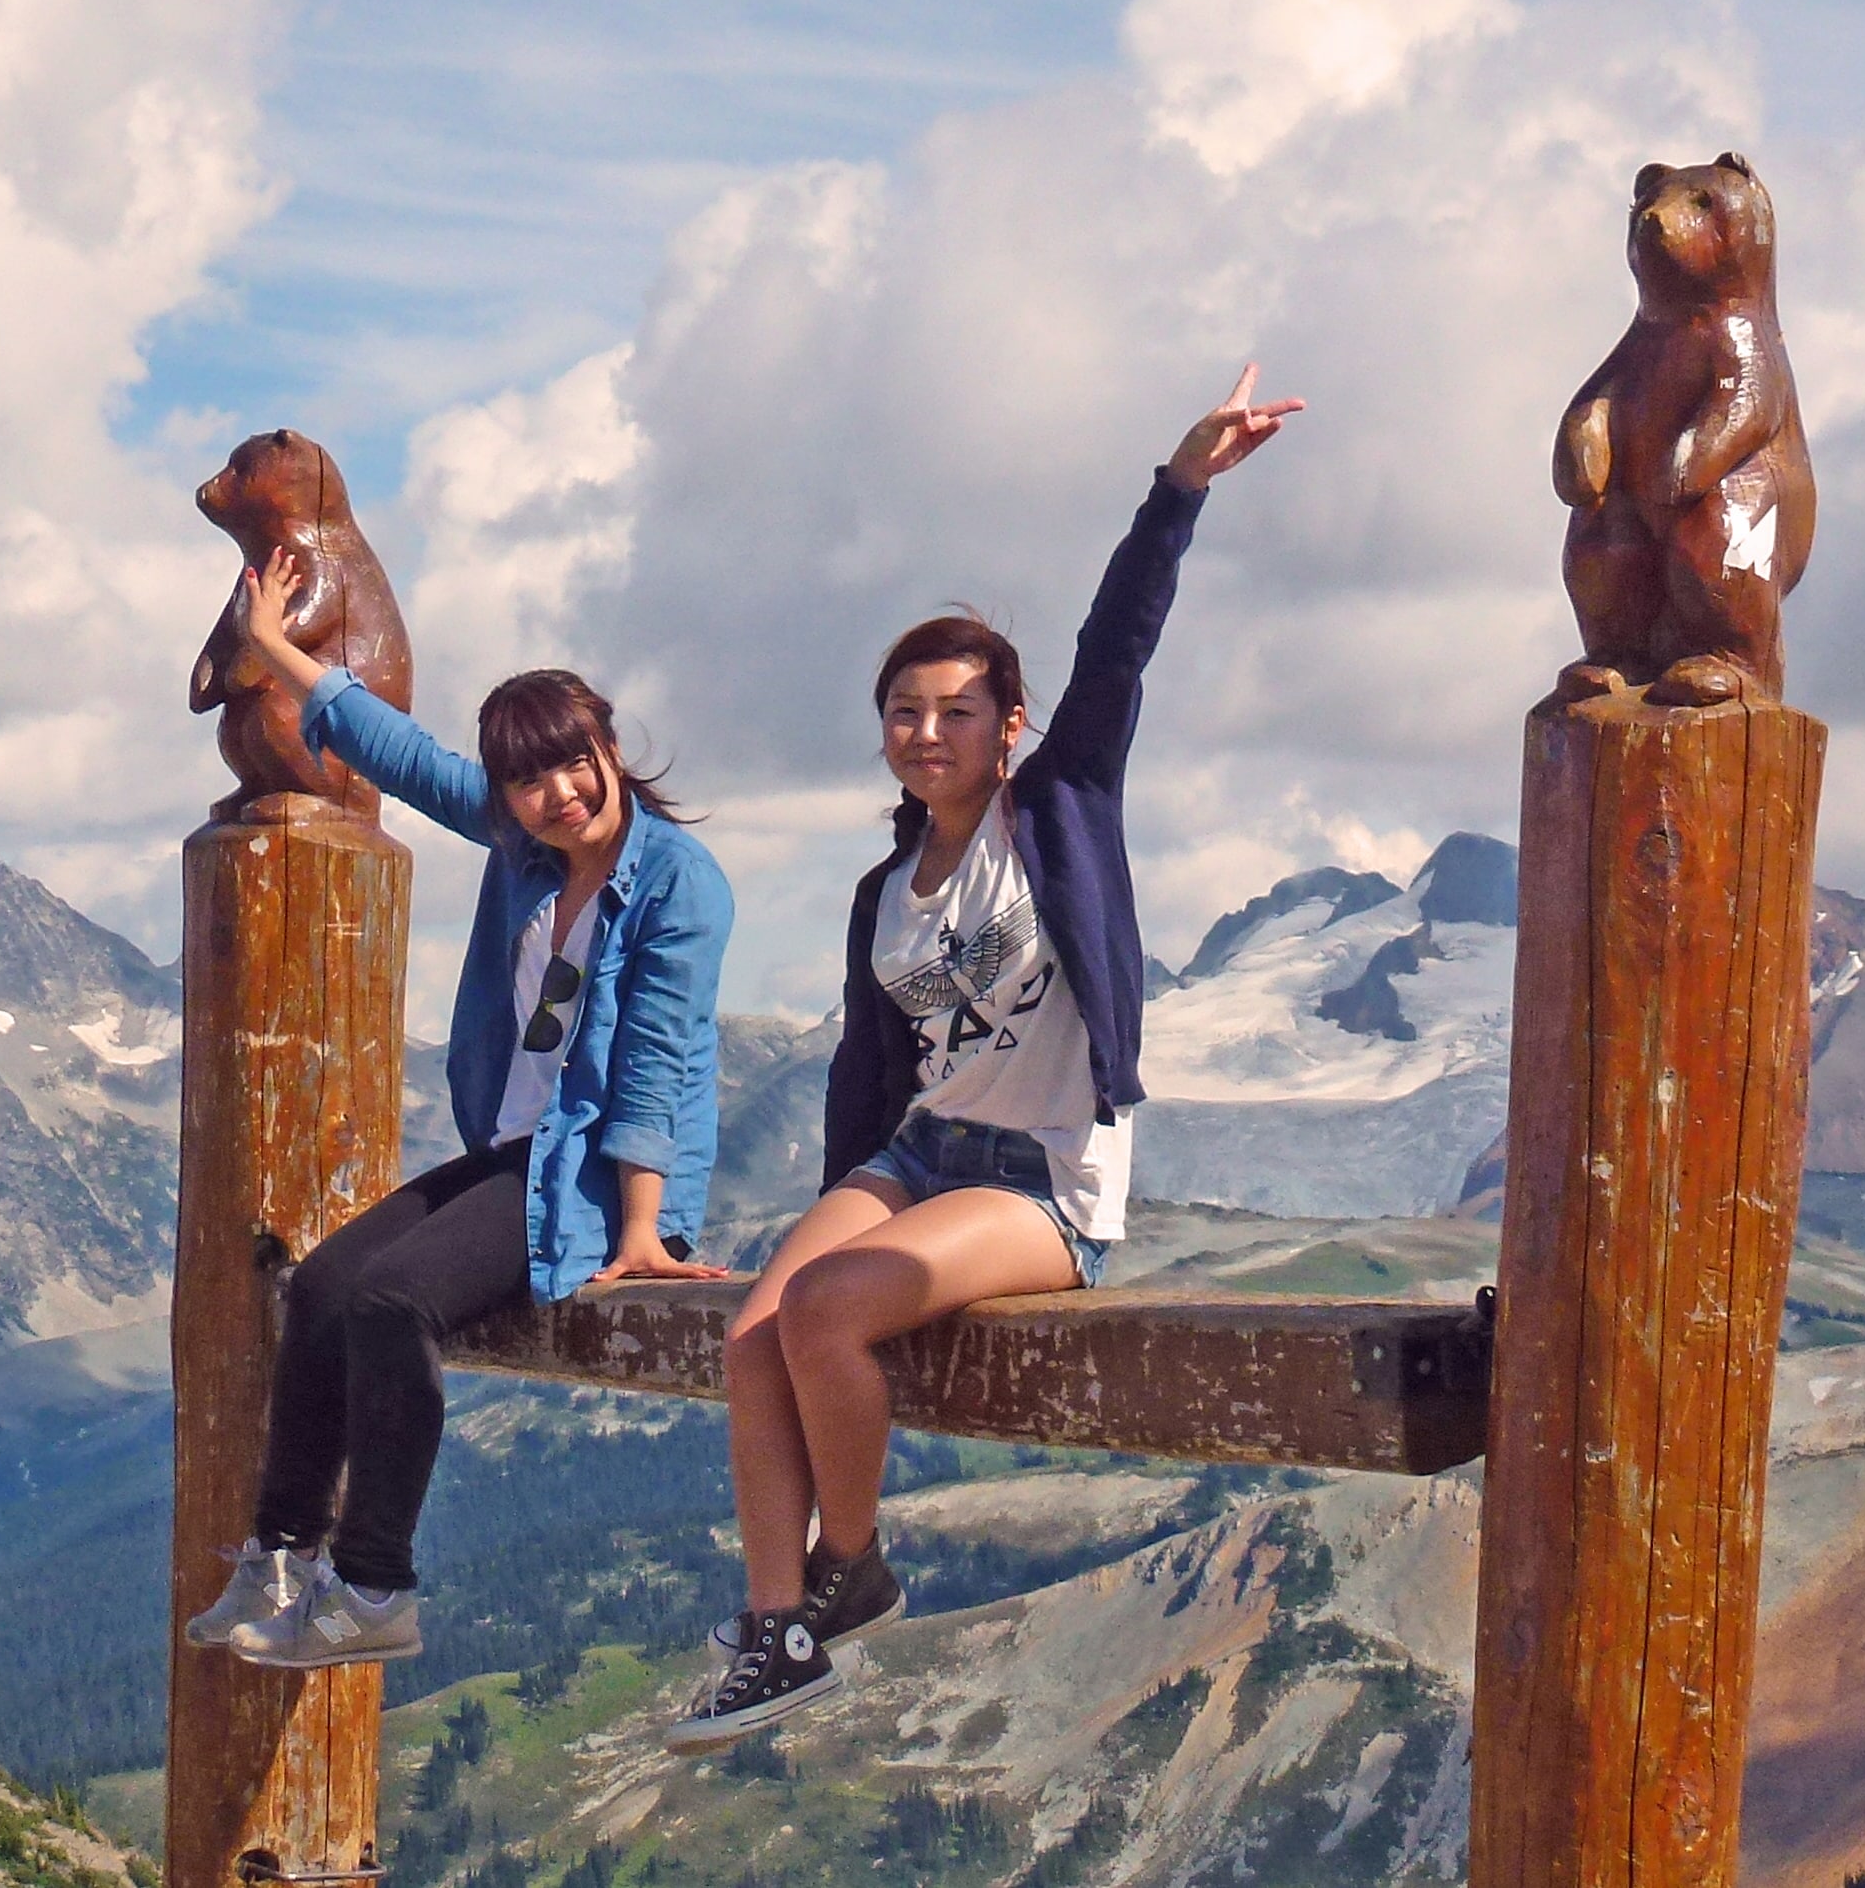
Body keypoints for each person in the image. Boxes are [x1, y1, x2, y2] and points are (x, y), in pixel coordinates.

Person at [666, 366, 1303, 1750]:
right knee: (752, 1333)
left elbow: (1118, 644)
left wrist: (1178, 487)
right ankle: (778, 1629)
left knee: (828, 1312)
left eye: (956, 709)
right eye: (905, 711)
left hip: (1039, 1177)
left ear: (1005, 726)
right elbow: (866, 1077)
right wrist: (846, 1188)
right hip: (920, 1155)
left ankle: (854, 1573)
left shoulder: (1057, 808)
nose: (927, 731)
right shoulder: (880, 894)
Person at [184, 545, 733, 1669]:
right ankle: (281, 1554)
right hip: (519, 1155)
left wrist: (643, 1231)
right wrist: (276, 647)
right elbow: (410, 758)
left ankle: (375, 1586)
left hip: (596, 1179)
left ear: (610, 749)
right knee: (329, 1284)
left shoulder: (677, 879)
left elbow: (656, 1063)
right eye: (530, 780)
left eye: (574, 764)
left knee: (394, 1302)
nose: (558, 793)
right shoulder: (527, 852)